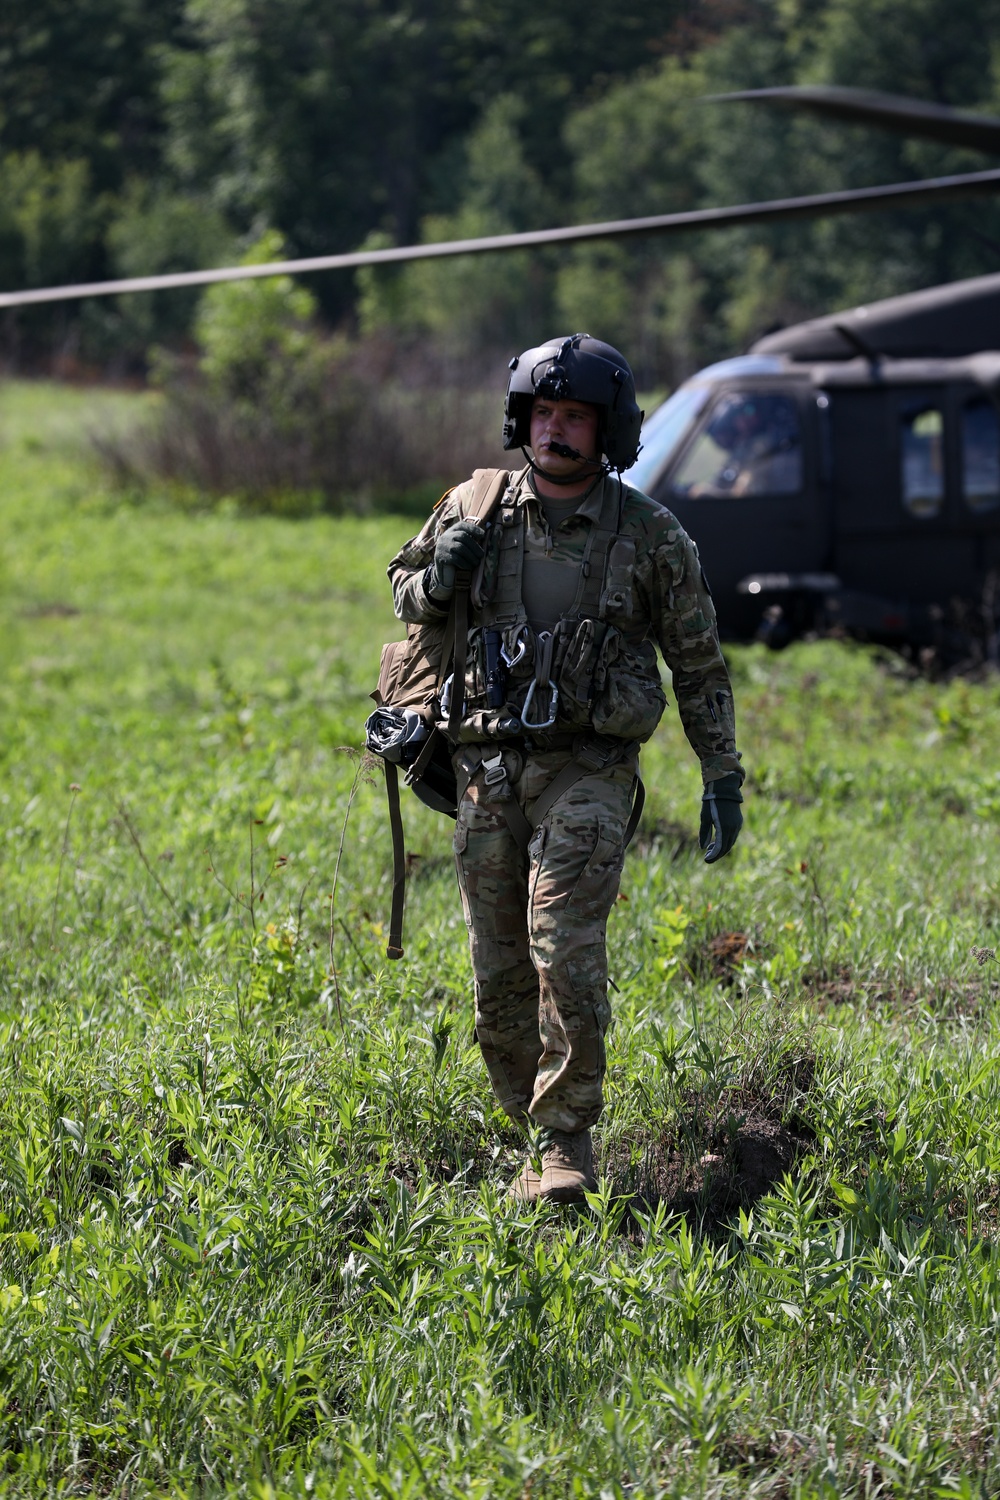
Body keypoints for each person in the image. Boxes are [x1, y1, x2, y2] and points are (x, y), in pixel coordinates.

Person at [387, 334, 744, 1204]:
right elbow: (402, 590)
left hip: (588, 771)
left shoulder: (651, 536)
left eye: (574, 416)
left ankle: (564, 1144)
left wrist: (721, 775)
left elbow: (698, 664)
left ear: (607, 430)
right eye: (544, 413)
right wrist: (442, 573)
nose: (555, 430)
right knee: (498, 972)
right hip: (485, 771)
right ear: (524, 418)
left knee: (565, 952)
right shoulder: (475, 505)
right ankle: (527, 1130)